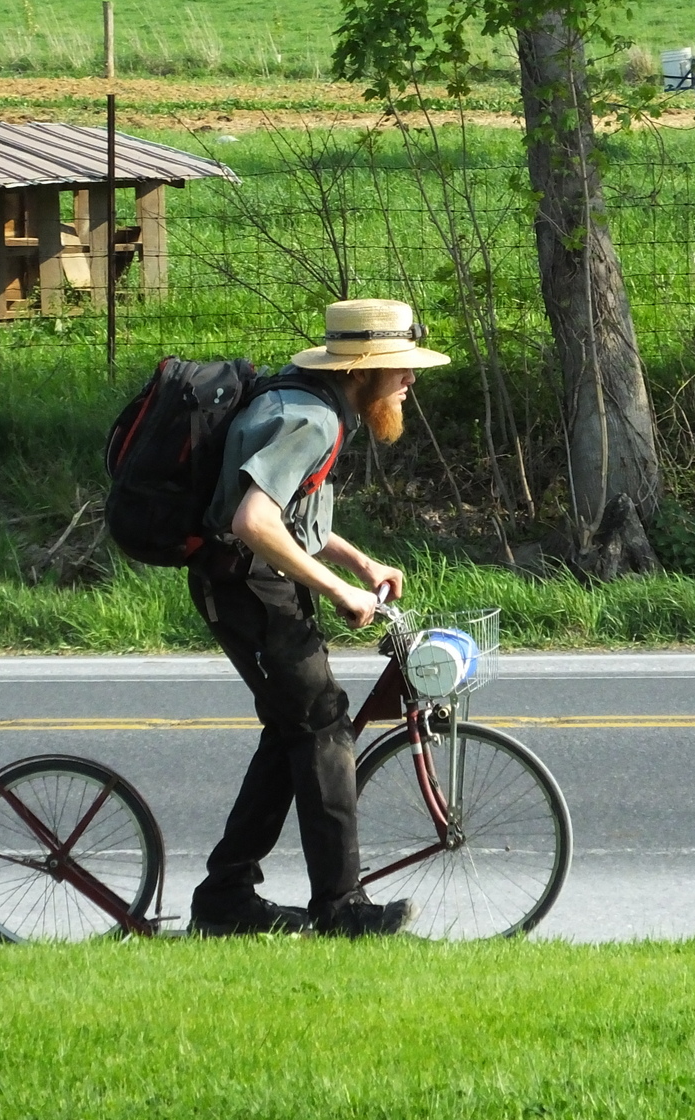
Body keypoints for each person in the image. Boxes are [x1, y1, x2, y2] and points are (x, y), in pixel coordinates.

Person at [186, 299, 450, 938]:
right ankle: (341, 908)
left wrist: (358, 562)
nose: (410, 379)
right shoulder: (310, 420)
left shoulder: (315, 403)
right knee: (325, 725)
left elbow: (294, 521)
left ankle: (226, 898)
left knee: (293, 731)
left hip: (253, 580)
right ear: (361, 370)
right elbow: (253, 523)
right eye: (399, 368)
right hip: (246, 585)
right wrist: (341, 592)